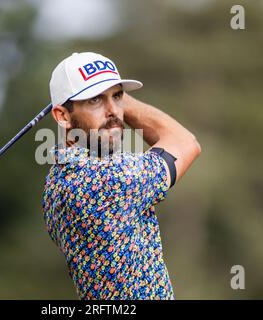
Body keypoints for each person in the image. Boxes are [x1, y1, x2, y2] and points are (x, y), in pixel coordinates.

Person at [42, 52, 201, 299]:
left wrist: (103, 93)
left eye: (117, 96)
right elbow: (185, 142)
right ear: (62, 115)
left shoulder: (55, 182)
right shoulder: (111, 179)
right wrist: (121, 97)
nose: (114, 111)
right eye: (95, 100)